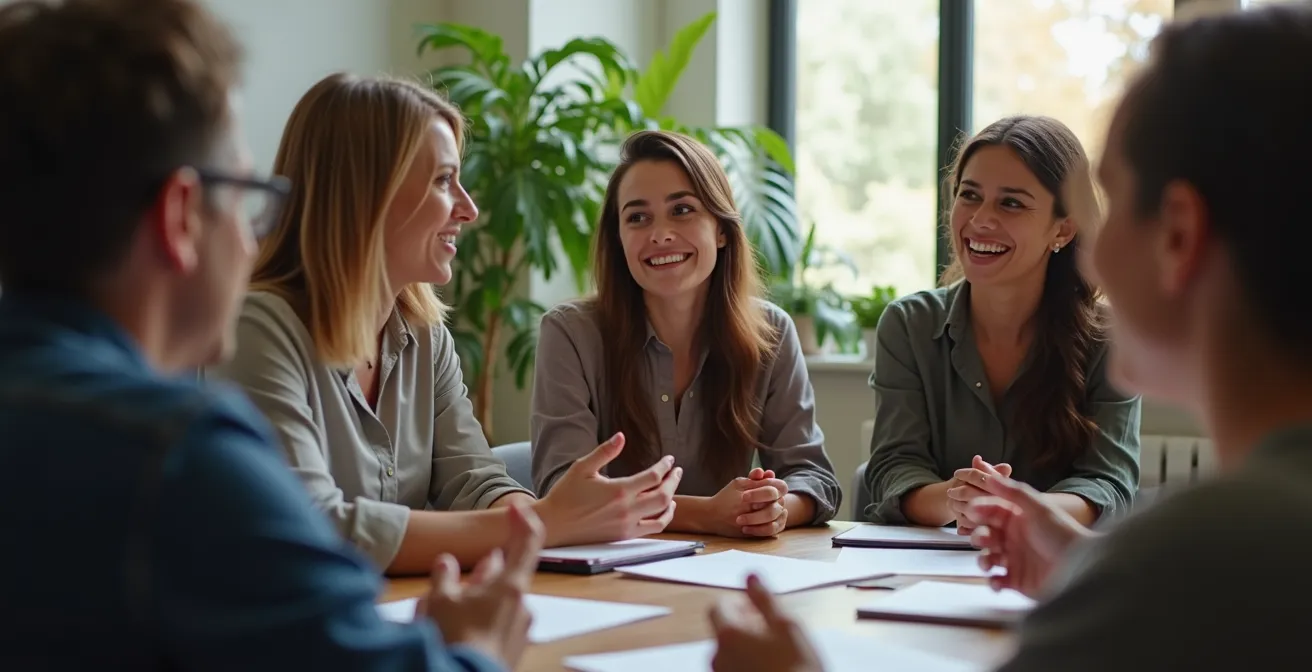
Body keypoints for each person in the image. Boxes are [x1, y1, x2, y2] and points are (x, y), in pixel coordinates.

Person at [709, 4, 1312, 670]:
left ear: (1178, 235)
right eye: (970, 196)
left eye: (1109, 202)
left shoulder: (1199, 553)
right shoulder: (1210, 550)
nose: (1098, 254)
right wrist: (1083, 559)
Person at [0, 0, 540, 670]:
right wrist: (478, 650)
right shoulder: (180, 455)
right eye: (249, 192)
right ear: (180, 215)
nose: (255, 231)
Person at [204, 73, 681, 576]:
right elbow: (310, 527)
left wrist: (563, 515)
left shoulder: (424, 336)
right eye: (442, 180)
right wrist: (541, 524)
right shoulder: (257, 331)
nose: (469, 209)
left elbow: (473, 482)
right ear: (367, 192)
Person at [531, 130, 842, 538]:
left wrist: (772, 507)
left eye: (682, 210)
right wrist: (705, 515)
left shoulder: (773, 332)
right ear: (619, 238)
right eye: (637, 218)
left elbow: (813, 477)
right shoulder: (569, 333)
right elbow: (566, 494)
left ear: (722, 230)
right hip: (610, 581)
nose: (659, 234)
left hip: (729, 571)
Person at [861, 115, 1140, 533]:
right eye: (969, 195)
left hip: (1055, 571)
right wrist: (957, 499)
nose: (980, 220)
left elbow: (1108, 483)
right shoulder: (908, 325)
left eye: (1011, 203)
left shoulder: (1113, 338)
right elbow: (894, 467)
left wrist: (1015, 510)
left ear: (1062, 229)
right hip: (928, 564)